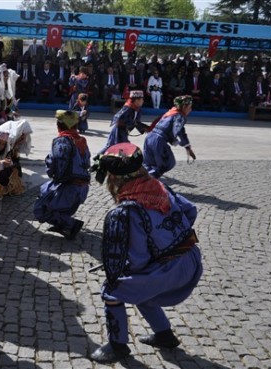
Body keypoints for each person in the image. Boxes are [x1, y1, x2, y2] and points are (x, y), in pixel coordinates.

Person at [89, 142, 203, 364]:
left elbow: (138, 259)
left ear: (113, 178)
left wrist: (125, 272)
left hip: (170, 270)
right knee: (142, 289)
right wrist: (171, 238)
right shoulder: (160, 187)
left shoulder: (124, 211)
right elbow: (190, 210)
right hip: (191, 257)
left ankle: (117, 345)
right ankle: (164, 335)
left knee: (113, 290)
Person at [33, 110, 90, 240]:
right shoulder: (82, 140)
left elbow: (55, 168)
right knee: (59, 208)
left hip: (68, 187)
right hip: (82, 188)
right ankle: (63, 224)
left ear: (58, 126)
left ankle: (72, 224)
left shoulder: (61, 142)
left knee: (40, 209)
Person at [142, 95, 196, 179]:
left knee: (149, 164)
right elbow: (178, 131)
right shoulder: (179, 116)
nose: (190, 110)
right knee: (167, 162)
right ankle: (150, 183)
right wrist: (174, 140)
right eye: (189, 107)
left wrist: (187, 147)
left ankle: (139, 181)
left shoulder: (170, 112)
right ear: (184, 107)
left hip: (149, 137)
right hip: (159, 140)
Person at [97, 90, 145, 156]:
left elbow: (137, 122)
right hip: (118, 130)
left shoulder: (138, 109)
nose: (143, 101)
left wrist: (143, 129)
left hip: (124, 131)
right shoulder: (127, 107)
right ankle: (97, 158)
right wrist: (131, 123)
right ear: (136, 100)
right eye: (141, 99)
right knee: (112, 146)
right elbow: (119, 118)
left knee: (121, 147)